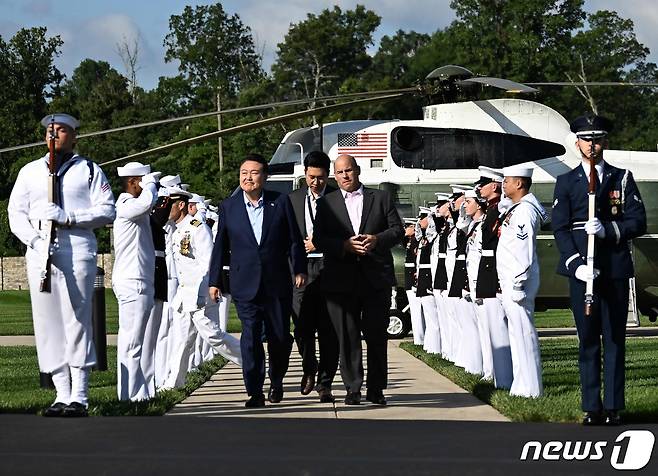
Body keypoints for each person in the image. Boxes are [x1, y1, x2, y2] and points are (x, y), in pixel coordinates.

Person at [7, 113, 115, 417]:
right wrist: (35, 240)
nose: (54, 136)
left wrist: (71, 218)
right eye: (50, 131)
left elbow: (108, 211)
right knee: (48, 324)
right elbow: (16, 214)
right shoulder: (30, 172)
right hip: (40, 250)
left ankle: (79, 395)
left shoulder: (89, 170)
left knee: (76, 320)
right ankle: (61, 393)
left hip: (76, 247)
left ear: (74, 136)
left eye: (62, 130)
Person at [552, 115, 646, 426]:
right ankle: (591, 406)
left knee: (615, 340)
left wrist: (608, 229)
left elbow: (638, 221)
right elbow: (561, 228)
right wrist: (575, 264)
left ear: (604, 142)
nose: (592, 145)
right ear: (576, 142)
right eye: (586, 139)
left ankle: (614, 406)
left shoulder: (621, 178)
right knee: (589, 340)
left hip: (614, 270)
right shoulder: (566, 182)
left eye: (597, 139)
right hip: (583, 272)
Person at [209, 153, 307, 408]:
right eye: (243, 173)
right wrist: (214, 280)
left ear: (264, 177)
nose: (247, 177)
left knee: (279, 337)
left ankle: (276, 380)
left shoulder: (280, 202)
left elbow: (295, 240)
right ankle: (254, 391)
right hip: (244, 283)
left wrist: (299, 269)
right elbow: (220, 246)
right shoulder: (229, 207)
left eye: (253, 173)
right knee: (250, 337)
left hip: (276, 284)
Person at [312, 154, 404, 405]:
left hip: (376, 279)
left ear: (358, 170)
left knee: (376, 336)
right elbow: (319, 238)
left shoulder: (381, 198)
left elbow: (397, 230)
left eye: (349, 170)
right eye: (340, 172)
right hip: (341, 280)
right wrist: (344, 245)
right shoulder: (327, 203)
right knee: (348, 337)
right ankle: (353, 388)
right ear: (335, 175)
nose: (345, 176)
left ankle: (376, 389)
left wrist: (377, 240)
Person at [163, 188, 242, 389]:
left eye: (169, 204)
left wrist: (203, 294)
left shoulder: (197, 228)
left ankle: (252, 360)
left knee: (214, 336)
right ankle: (174, 383)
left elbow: (208, 264)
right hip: (185, 296)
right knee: (182, 340)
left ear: (181, 205)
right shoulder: (177, 229)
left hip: (199, 296)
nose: (166, 209)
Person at [288, 151, 339, 402]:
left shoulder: (337, 198)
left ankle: (325, 383)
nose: (315, 182)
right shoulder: (293, 200)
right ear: (305, 174)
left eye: (320, 178)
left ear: (327, 176)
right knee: (301, 328)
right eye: (311, 177)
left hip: (330, 267)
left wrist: (319, 243)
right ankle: (310, 365)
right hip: (301, 270)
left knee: (329, 330)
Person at [497, 165, 547, 398]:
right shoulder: (516, 209)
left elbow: (524, 250)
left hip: (519, 281)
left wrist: (519, 281)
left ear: (519, 183)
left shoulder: (525, 212)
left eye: (507, 181)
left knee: (524, 333)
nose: (503, 185)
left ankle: (532, 388)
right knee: (516, 335)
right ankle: (521, 385)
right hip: (510, 279)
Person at [113, 162, 159, 401]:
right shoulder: (127, 205)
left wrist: (150, 186)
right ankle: (130, 396)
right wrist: (150, 184)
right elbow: (145, 203)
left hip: (139, 280)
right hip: (133, 281)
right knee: (132, 343)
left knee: (135, 343)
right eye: (143, 180)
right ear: (134, 182)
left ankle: (135, 394)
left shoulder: (135, 208)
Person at [474, 167, 513, 389]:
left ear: (495, 185)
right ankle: (497, 375)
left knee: (498, 327)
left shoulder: (498, 209)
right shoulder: (491, 209)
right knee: (491, 328)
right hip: (487, 270)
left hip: (494, 271)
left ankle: (504, 378)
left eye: (484, 183)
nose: (480, 188)